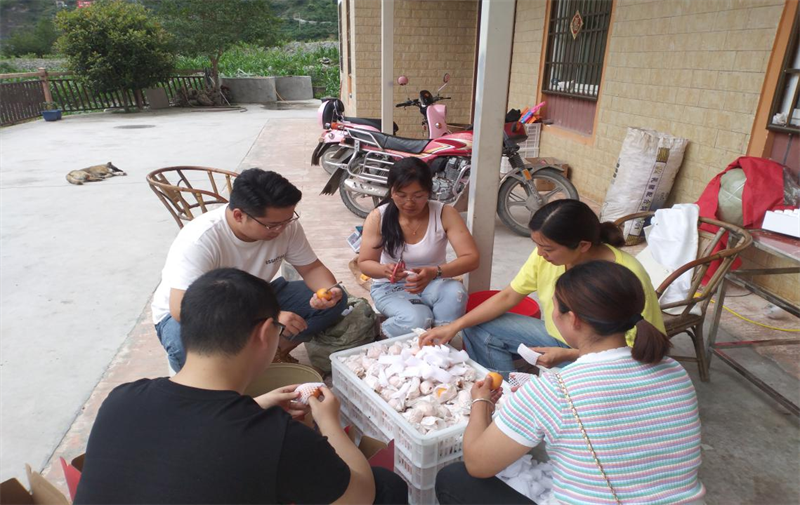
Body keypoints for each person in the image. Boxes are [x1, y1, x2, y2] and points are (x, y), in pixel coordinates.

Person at [75, 268, 408, 505]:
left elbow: (192, 435)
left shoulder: (121, 398)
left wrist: (255, 405)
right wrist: (329, 422)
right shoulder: (278, 437)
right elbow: (360, 496)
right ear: (264, 334)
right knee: (385, 485)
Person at [435, 261, 706, 505]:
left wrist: (481, 402)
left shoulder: (554, 391)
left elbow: (477, 464)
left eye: (554, 307)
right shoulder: (675, 370)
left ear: (573, 319)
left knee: (454, 478)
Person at [421, 199, 665, 375]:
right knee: (475, 324)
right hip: (560, 336)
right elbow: (508, 296)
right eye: (537, 245)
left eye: (547, 248)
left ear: (583, 245)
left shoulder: (625, 274)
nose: (539, 254)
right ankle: (506, 391)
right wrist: (453, 326)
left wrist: (572, 354)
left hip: (605, 361)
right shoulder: (546, 257)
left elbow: (636, 351)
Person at [152, 168, 348, 371]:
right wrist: (265, 318)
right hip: (198, 310)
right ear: (239, 215)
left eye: (288, 220)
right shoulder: (200, 239)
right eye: (272, 225)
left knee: (338, 301)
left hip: (254, 297)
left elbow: (311, 268)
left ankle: (275, 352)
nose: (281, 229)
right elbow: (181, 308)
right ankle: (211, 379)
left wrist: (328, 291)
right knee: (188, 348)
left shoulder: (285, 226)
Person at [358, 158, 479, 338]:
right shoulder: (378, 217)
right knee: (418, 319)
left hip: (434, 282)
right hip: (391, 287)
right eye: (401, 195)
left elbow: (471, 258)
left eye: (418, 196)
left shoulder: (444, 213)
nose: (409, 203)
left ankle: (438, 341)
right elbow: (365, 262)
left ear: (429, 191)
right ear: (391, 191)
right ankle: (382, 335)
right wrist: (385, 271)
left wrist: (435, 272)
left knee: (455, 293)